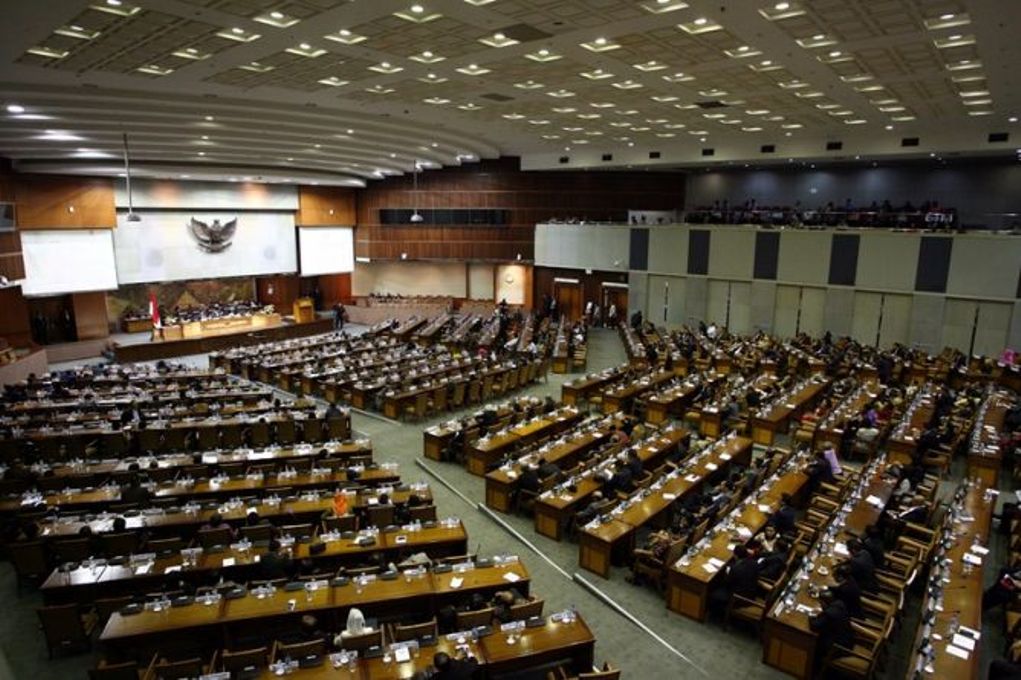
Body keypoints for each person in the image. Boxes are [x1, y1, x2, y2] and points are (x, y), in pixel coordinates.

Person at [809, 589, 855, 657]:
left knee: (813, 642)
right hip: (848, 641)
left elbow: (814, 626)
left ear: (823, 602)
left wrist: (811, 615)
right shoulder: (840, 603)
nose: (820, 605)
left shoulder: (829, 613)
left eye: (820, 603)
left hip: (838, 648)